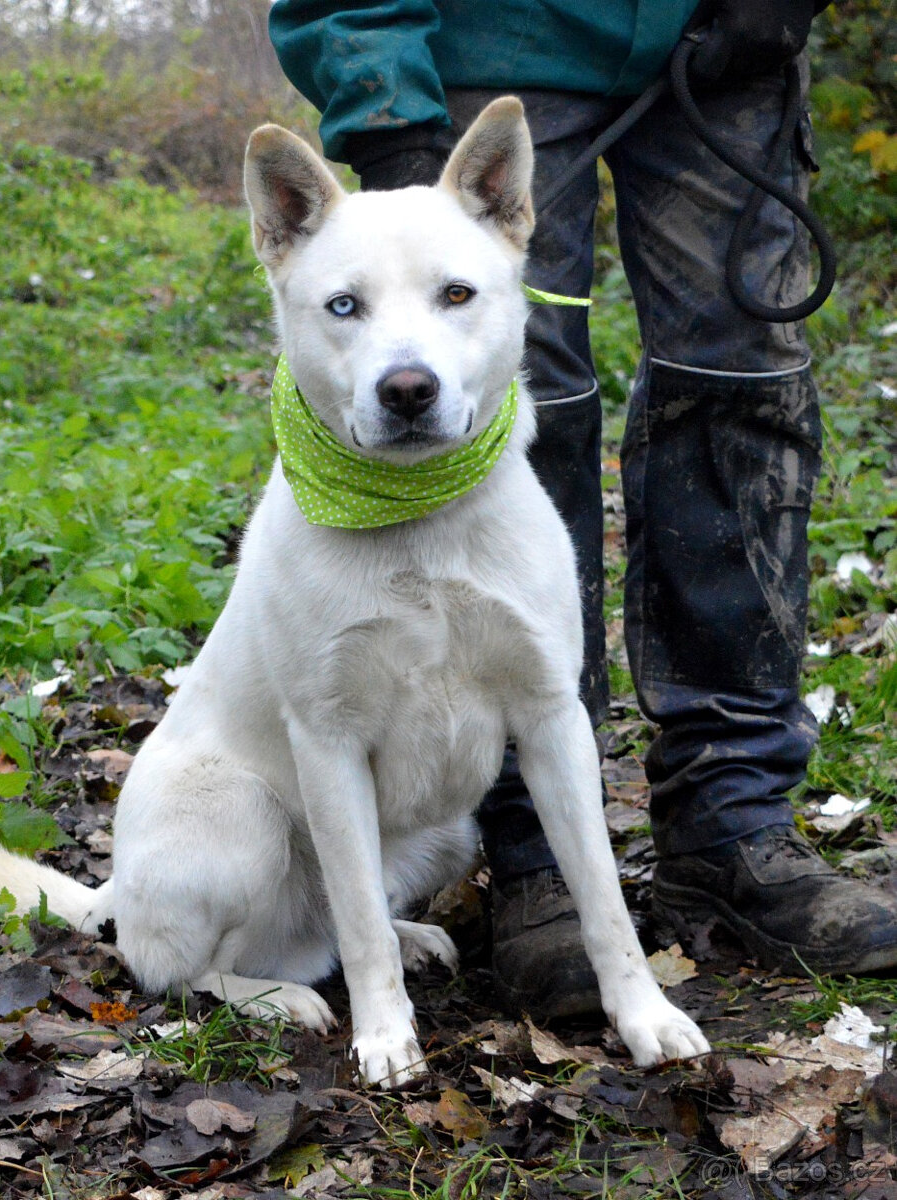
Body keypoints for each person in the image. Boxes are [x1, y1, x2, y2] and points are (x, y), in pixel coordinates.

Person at [267, 0, 897, 1018]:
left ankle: (731, 822)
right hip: (483, 40)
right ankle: (532, 862)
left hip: (723, 37)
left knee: (741, 384)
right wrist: (381, 97)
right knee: (521, 399)